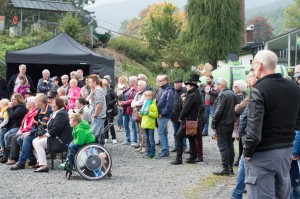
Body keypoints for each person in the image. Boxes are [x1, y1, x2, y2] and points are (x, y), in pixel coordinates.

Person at [243, 50, 300, 198]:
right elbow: (298, 123)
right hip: (285, 152)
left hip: (263, 154)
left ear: (260, 65)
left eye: (254, 64)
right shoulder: (294, 88)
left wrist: (247, 152)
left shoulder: (259, 89)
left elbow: (254, 130)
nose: (253, 69)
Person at [10, 93, 52, 170]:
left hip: (45, 133)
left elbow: (42, 127)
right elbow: (35, 125)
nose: (34, 103)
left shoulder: (48, 111)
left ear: (40, 102)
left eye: (35, 101)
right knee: (19, 139)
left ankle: (21, 162)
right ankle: (33, 159)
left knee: (27, 138)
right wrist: (28, 132)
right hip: (37, 131)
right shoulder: (39, 110)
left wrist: (29, 133)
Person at [32, 97, 72, 172]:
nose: (50, 104)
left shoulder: (61, 114)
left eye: (53, 103)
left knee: (39, 143)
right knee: (34, 140)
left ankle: (43, 165)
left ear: (58, 105)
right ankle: (40, 162)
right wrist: (42, 134)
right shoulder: (55, 113)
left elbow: (56, 129)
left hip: (60, 140)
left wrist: (45, 135)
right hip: (56, 137)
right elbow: (50, 127)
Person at [171, 76, 201, 165]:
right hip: (193, 119)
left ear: (191, 86)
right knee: (191, 138)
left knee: (178, 136)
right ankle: (192, 157)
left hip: (188, 120)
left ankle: (178, 159)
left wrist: (180, 117)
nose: (186, 87)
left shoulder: (192, 96)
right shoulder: (196, 94)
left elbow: (185, 109)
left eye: (187, 85)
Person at [211, 78, 237, 175]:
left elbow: (218, 111)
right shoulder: (232, 94)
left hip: (222, 123)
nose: (215, 87)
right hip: (230, 123)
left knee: (223, 146)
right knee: (229, 145)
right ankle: (230, 168)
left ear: (221, 85)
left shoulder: (223, 95)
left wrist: (213, 122)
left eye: (216, 85)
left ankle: (225, 168)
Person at [5, 96, 38, 165]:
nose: (25, 103)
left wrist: (23, 131)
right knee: (9, 136)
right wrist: (20, 130)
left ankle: (14, 158)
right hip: (23, 130)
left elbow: (31, 125)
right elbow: (23, 123)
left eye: (27, 102)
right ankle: (8, 156)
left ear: (31, 104)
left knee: (15, 138)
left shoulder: (35, 112)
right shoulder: (28, 112)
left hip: (29, 131)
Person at [0, 94, 27, 163]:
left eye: (13, 99)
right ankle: (5, 154)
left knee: (7, 135)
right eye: (11, 99)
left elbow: (13, 115)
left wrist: (10, 108)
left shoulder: (21, 108)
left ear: (18, 99)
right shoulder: (14, 107)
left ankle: (9, 155)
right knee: (3, 134)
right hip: (11, 126)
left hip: (18, 126)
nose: (11, 101)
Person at [156, 75, 174, 158]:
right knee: (164, 132)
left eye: (161, 80)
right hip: (159, 113)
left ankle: (165, 151)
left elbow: (169, 105)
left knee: (161, 132)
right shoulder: (161, 89)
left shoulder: (169, 90)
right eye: (158, 81)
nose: (159, 82)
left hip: (163, 115)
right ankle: (165, 150)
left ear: (166, 81)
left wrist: (162, 114)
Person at [118, 76, 138, 146]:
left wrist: (123, 102)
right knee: (125, 125)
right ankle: (128, 139)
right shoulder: (128, 89)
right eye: (129, 80)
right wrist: (119, 101)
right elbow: (122, 97)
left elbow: (133, 99)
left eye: (130, 80)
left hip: (131, 109)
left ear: (134, 81)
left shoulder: (136, 89)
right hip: (125, 109)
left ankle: (134, 140)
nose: (129, 82)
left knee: (133, 125)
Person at [232, 79, 247, 166]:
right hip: (233, 120)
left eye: (235, 86)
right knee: (231, 139)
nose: (234, 87)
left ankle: (240, 158)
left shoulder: (246, 96)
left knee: (241, 141)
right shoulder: (232, 95)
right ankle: (231, 157)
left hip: (242, 120)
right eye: (233, 86)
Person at [87, 75, 107, 141]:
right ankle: (100, 149)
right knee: (100, 136)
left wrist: (95, 115)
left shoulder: (98, 90)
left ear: (94, 82)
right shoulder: (97, 90)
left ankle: (95, 149)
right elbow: (87, 99)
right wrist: (92, 91)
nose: (88, 84)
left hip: (98, 116)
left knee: (92, 136)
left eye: (89, 82)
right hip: (100, 116)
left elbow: (99, 105)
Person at [170, 77, 187, 153]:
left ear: (181, 83)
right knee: (175, 132)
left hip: (182, 116)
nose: (176, 85)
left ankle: (183, 146)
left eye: (177, 83)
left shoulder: (185, 91)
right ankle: (176, 145)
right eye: (175, 84)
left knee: (182, 132)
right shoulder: (173, 91)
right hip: (174, 115)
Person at [140, 91, 158, 158]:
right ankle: (148, 151)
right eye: (146, 96)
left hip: (150, 124)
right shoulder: (145, 103)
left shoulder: (153, 105)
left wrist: (149, 112)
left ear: (151, 96)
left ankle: (152, 152)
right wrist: (141, 112)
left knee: (151, 139)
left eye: (148, 96)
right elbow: (142, 114)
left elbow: (156, 115)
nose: (147, 97)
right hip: (145, 124)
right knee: (147, 139)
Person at [131, 80, 147, 151]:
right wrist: (135, 103)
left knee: (142, 131)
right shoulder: (137, 93)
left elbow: (140, 103)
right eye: (138, 85)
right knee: (138, 130)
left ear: (143, 86)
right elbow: (132, 103)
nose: (138, 86)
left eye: (140, 85)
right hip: (136, 114)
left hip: (142, 115)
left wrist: (135, 103)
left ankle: (144, 146)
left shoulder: (145, 93)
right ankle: (140, 145)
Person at [102, 79, 118, 144]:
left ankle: (114, 138)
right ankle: (106, 137)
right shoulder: (100, 91)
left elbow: (116, 98)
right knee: (104, 124)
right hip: (103, 110)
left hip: (110, 110)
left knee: (110, 124)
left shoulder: (110, 90)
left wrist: (110, 103)